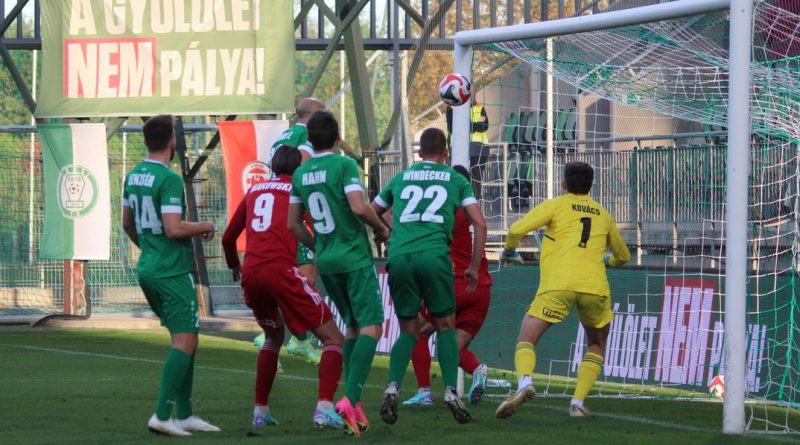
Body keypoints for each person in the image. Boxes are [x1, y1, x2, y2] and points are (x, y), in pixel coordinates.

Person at [221, 145, 347, 431]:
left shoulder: (254, 191)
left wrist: (234, 265)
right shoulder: (297, 190)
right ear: (298, 169)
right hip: (281, 271)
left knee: (273, 337)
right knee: (334, 338)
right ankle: (325, 408)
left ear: (272, 167)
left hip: (252, 273)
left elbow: (228, 237)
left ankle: (260, 411)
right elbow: (319, 226)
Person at [370, 128, 487, 425]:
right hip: (435, 258)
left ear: (419, 152)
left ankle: (393, 387)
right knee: (446, 327)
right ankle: (450, 392)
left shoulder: (401, 177)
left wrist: (384, 231)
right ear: (445, 152)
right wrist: (473, 267)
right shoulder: (456, 179)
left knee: (409, 331)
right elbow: (479, 223)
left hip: (399, 258)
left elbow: (372, 211)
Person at [496, 161, 631, 419]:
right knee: (596, 344)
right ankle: (577, 403)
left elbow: (515, 230)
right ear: (591, 186)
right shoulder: (603, 214)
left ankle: (525, 383)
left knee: (526, 339)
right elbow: (623, 256)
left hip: (558, 285)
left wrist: (509, 251)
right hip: (594, 287)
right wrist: (608, 260)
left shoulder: (556, 205)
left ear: (563, 184)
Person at [287, 110, 389, 437]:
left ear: (309, 140)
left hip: (327, 260)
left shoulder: (301, 173)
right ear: (337, 137)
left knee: (353, 328)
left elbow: (293, 224)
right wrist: (382, 227)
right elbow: (358, 207)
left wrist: (317, 246)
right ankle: (351, 399)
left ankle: (351, 404)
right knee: (372, 326)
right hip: (353, 257)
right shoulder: (343, 166)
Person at [121, 115, 220, 436]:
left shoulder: (134, 175)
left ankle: (186, 414)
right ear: (172, 142)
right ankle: (162, 415)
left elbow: (127, 223)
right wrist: (205, 226)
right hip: (172, 271)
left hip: (149, 268)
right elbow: (173, 228)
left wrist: (150, 248)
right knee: (184, 340)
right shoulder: (169, 178)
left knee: (187, 338)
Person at [402, 165, 492, 407]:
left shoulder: (444, 212)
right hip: (481, 289)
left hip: (453, 286)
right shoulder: (474, 213)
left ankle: (424, 391)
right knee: (452, 347)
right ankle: (477, 369)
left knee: (416, 332)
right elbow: (481, 228)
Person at [267, 97, 327, 365]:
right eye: (323, 114)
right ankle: (293, 338)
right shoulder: (305, 135)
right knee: (306, 276)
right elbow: (302, 166)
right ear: (312, 115)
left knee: (296, 276)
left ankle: (291, 336)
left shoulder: (285, 134)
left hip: (277, 207)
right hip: (294, 208)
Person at [446, 102, 489, 200]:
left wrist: (465, 126)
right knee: (459, 174)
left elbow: (484, 126)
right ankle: (460, 198)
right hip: (457, 146)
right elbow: (451, 127)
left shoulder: (479, 107)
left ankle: (475, 199)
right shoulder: (451, 107)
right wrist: (473, 125)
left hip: (478, 147)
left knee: (477, 175)